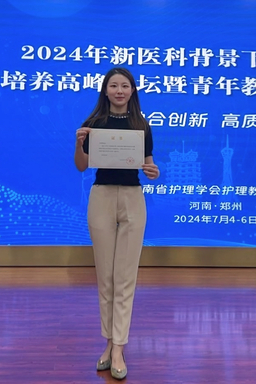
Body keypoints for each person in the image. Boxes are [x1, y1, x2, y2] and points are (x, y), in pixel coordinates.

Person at [74, 67, 159, 380]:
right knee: (106, 276)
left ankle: (119, 347)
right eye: (114, 85)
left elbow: (148, 165)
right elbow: (81, 166)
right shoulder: (94, 123)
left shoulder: (141, 126)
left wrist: (153, 171)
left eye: (125, 86)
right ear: (105, 90)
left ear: (132, 91)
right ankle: (108, 343)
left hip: (133, 198)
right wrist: (79, 144)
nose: (120, 91)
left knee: (125, 277)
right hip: (102, 197)